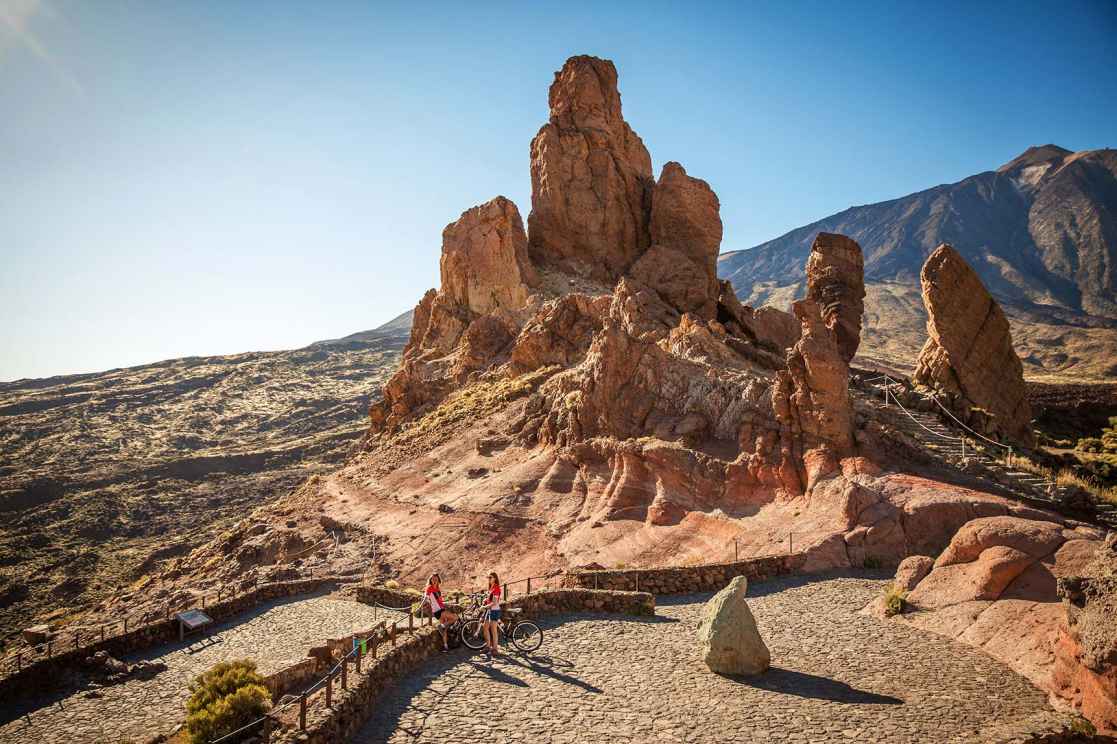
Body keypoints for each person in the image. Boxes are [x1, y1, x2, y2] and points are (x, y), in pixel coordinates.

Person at [423, 573, 456, 652]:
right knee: (455, 617)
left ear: (438, 580)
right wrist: (424, 603)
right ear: (430, 580)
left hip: (441, 609)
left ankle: (446, 646)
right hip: (438, 610)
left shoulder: (438, 589)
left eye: (436, 579)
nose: (434, 580)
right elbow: (426, 597)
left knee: (444, 630)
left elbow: (440, 601)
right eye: (433, 579)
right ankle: (441, 626)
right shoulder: (429, 588)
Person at [482, 571, 502, 660]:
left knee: (493, 630)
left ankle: (495, 649)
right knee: (485, 627)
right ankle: (488, 646)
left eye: (490, 578)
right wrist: (485, 601)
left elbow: (494, 602)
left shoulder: (496, 588)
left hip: (494, 611)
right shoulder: (491, 588)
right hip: (489, 610)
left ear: (495, 578)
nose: (489, 579)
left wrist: (484, 606)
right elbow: (489, 599)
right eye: (488, 578)